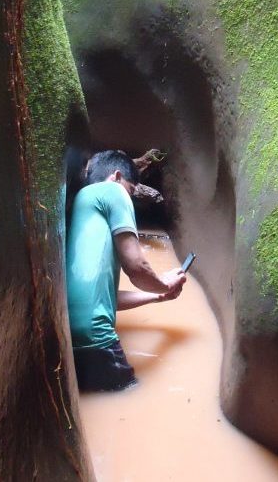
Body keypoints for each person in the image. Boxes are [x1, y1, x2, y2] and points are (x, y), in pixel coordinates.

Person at [66, 150, 187, 391]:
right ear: (117, 176)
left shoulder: (83, 202)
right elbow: (137, 267)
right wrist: (165, 283)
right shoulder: (113, 190)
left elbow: (105, 300)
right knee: (135, 397)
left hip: (69, 339)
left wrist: (158, 296)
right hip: (98, 339)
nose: (129, 197)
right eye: (131, 191)